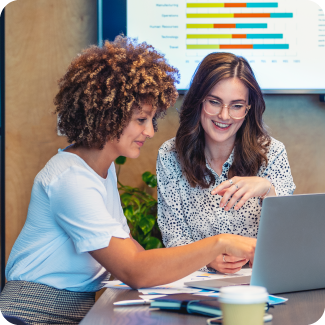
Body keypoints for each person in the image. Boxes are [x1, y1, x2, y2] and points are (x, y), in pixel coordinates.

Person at [0, 37, 256, 325]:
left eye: (151, 120)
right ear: (108, 116)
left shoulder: (101, 170)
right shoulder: (70, 179)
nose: (150, 131)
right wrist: (218, 244)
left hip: (75, 310)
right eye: (140, 120)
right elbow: (135, 269)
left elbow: (133, 252)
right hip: (33, 312)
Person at [157, 52, 295, 275]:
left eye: (236, 106)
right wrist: (208, 259)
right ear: (198, 101)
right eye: (214, 102)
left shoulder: (273, 152)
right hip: (195, 282)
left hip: (258, 281)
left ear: (248, 109)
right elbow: (173, 236)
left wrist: (267, 189)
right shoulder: (170, 155)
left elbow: (289, 237)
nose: (224, 115)